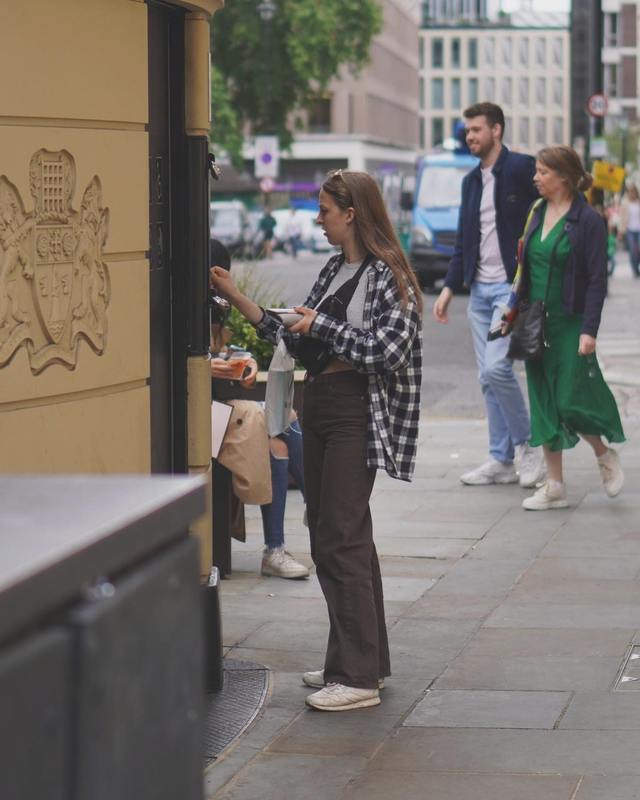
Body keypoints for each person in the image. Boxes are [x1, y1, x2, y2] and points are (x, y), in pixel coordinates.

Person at [211, 169, 423, 712]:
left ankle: (357, 678)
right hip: (321, 406)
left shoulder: (389, 274)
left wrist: (321, 328)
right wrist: (237, 298)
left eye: (326, 210)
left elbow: (385, 351)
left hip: (356, 409)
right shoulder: (333, 268)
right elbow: (294, 335)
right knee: (335, 529)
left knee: (341, 535)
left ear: (352, 213)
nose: (319, 219)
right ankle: (359, 661)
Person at [433, 102, 546, 489]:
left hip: (510, 290)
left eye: (477, 130)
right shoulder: (470, 182)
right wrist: (449, 288)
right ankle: (500, 459)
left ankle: (527, 447)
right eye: (467, 131)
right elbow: (466, 239)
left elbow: (550, 206)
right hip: (479, 291)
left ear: (496, 130)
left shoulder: (520, 169)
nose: (470, 136)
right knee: (486, 377)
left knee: (498, 369)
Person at [511, 146, 625, 510]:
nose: (536, 178)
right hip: (535, 321)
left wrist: (589, 329)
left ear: (564, 176)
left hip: (570, 322)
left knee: (568, 401)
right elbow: (524, 268)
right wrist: (512, 309)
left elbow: (596, 280)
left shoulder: (588, 220)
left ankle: (603, 453)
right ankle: (555, 485)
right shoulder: (536, 211)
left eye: (543, 172)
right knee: (543, 402)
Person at [210, 239, 309, 579]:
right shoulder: (177, 301)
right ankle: (316, 507)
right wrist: (207, 366)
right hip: (188, 417)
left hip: (214, 411)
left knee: (277, 439)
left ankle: (276, 549)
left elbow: (227, 348)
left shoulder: (213, 303)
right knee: (275, 418)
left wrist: (244, 359)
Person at [617, 182, 640, 277]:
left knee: (638, 249)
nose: (631, 193)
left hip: (638, 229)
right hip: (629, 229)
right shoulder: (625, 202)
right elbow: (621, 217)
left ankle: (637, 266)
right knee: (632, 249)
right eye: (629, 191)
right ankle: (634, 269)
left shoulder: (638, 202)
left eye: (632, 191)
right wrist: (620, 231)